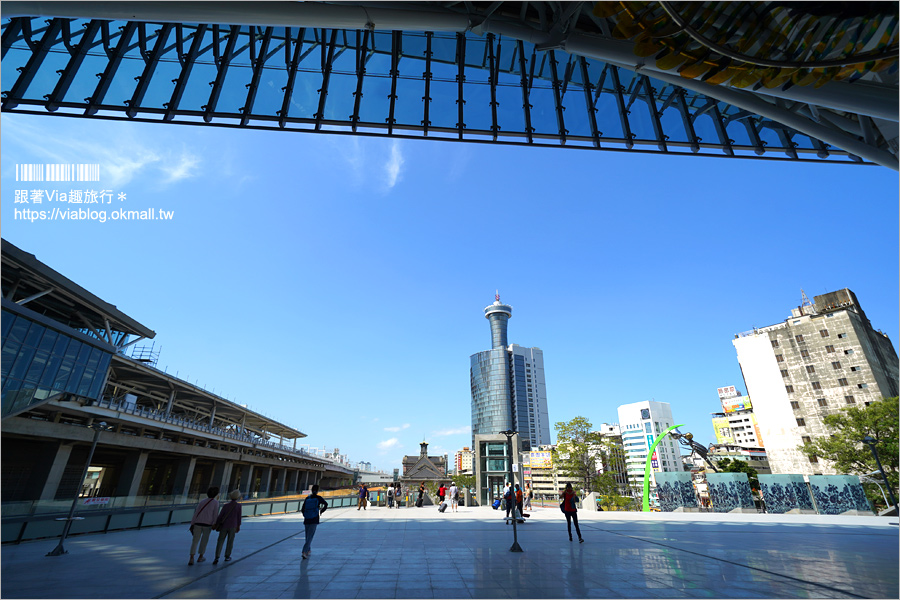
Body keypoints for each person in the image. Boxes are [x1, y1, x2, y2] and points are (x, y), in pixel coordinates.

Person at [188, 486, 220, 565]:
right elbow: (215, 514)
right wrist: (214, 523)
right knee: (204, 541)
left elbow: (196, 513)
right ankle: (200, 556)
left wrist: (192, 523)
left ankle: (191, 557)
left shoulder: (202, 501)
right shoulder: (215, 502)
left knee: (195, 541)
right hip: (207, 524)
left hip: (197, 523)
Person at [212, 490, 242, 565]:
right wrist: (238, 526)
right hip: (233, 526)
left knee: (220, 541)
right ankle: (227, 556)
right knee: (230, 541)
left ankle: (217, 556)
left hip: (224, 525)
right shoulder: (238, 506)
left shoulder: (226, 506)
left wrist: (216, 524)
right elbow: (239, 517)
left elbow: (220, 516)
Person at [301, 484, 328, 560]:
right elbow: (326, 504)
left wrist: (306, 515)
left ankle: (308, 549)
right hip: (314, 519)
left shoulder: (307, 498)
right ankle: (304, 551)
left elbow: (302, 509)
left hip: (307, 519)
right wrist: (321, 511)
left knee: (307, 536)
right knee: (310, 536)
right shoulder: (318, 498)